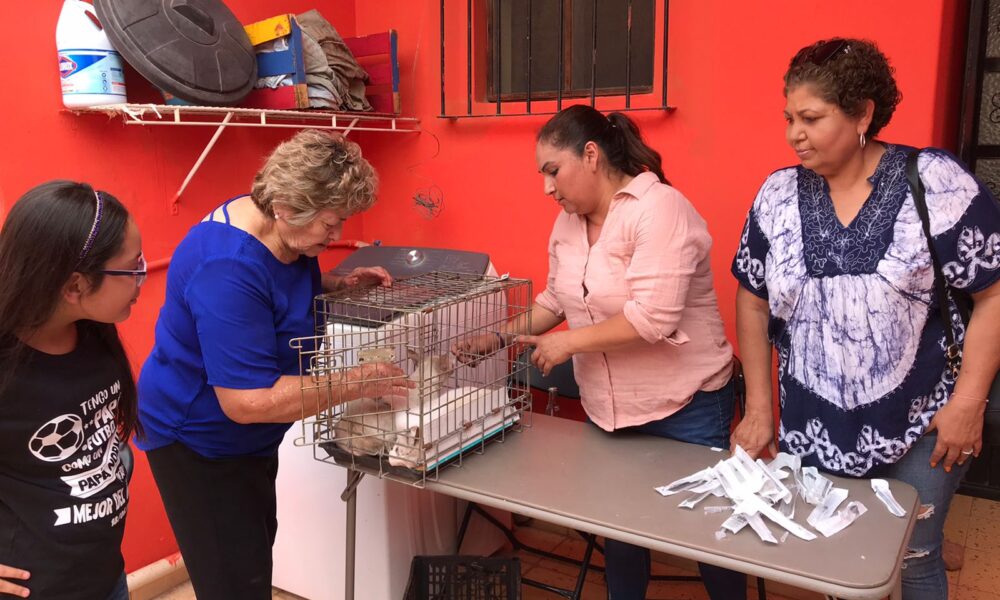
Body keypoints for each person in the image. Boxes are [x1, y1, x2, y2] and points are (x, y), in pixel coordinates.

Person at [731, 38, 1000, 599]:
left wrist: (969, 403)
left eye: (811, 118)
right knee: (838, 555)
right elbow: (752, 299)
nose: (793, 134)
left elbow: (994, 293)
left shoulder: (934, 182)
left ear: (862, 114)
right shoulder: (777, 195)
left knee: (915, 557)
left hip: (925, 423)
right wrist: (760, 408)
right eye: (788, 119)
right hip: (813, 427)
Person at [456, 104, 746, 600]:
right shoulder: (568, 223)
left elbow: (654, 317)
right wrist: (499, 337)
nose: (547, 187)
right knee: (619, 526)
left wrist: (567, 343)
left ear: (590, 155)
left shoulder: (660, 209)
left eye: (553, 171)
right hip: (609, 407)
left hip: (687, 403)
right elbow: (555, 299)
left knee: (711, 532)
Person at [136, 130, 412, 599]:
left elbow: (274, 288)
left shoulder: (280, 227)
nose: (337, 235)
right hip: (201, 440)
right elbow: (248, 401)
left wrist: (336, 285)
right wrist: (358, 380)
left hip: (250, 442)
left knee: (255, 548)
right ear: (287, 206)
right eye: (331, 223)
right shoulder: (227, 265)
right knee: (233, 578)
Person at [0, 181, 144, 600]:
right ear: (74, 286)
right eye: (131, 267)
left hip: (104, 574)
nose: (141, 278)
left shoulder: (92, 333)